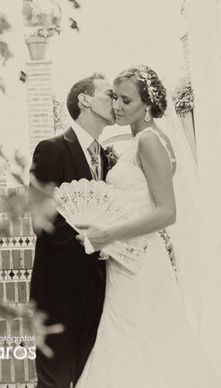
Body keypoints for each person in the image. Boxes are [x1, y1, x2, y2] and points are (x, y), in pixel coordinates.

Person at [76, 65, 221, 388]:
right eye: (115, 98)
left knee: (137, 339)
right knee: (136, 341)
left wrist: (108, 235)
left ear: (148, 104)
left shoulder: (149, 142)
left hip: (140, 264)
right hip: (130, 260)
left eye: (127, 101)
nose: (117, 107)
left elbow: (167, 213)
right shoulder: (142, 140)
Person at [29, 72, 116, 388]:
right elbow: (41, 218)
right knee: (55, 383)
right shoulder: (51, 148)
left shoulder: (108, 159)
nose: (116, 101)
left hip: (99, 290)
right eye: (109, 94)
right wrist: (93, 241)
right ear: (85, 100)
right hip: (58, 293)